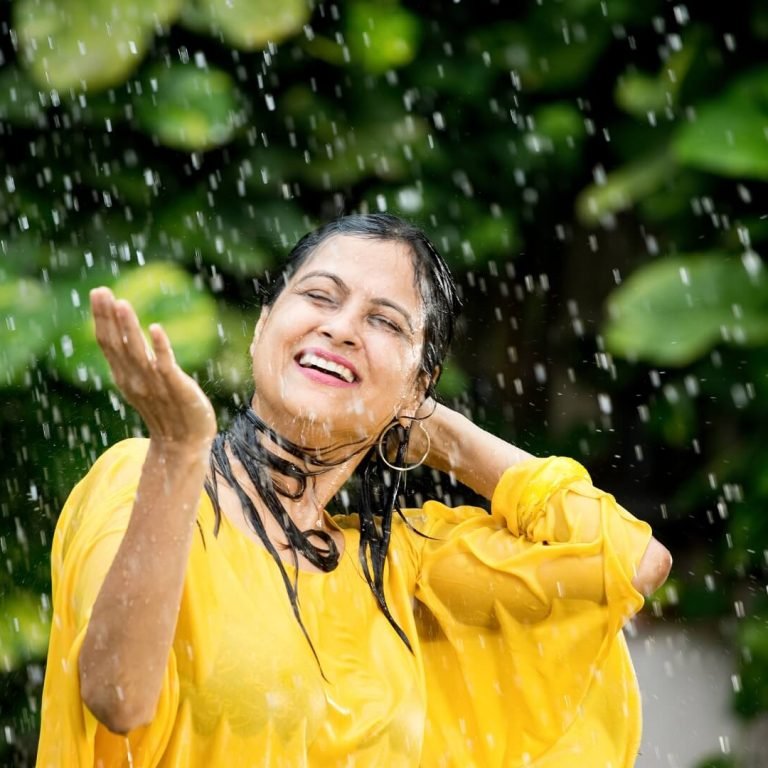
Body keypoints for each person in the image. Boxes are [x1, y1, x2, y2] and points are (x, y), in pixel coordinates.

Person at [36, 213, 671, 767]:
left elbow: (632, 561)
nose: (341, 328)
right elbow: (117, 695)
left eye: (385, 323)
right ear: (263, 329)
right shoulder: (148, 477)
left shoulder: (403, 569)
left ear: (420, 384)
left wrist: (437, 430)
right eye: (319, 296)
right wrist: (178, 452)